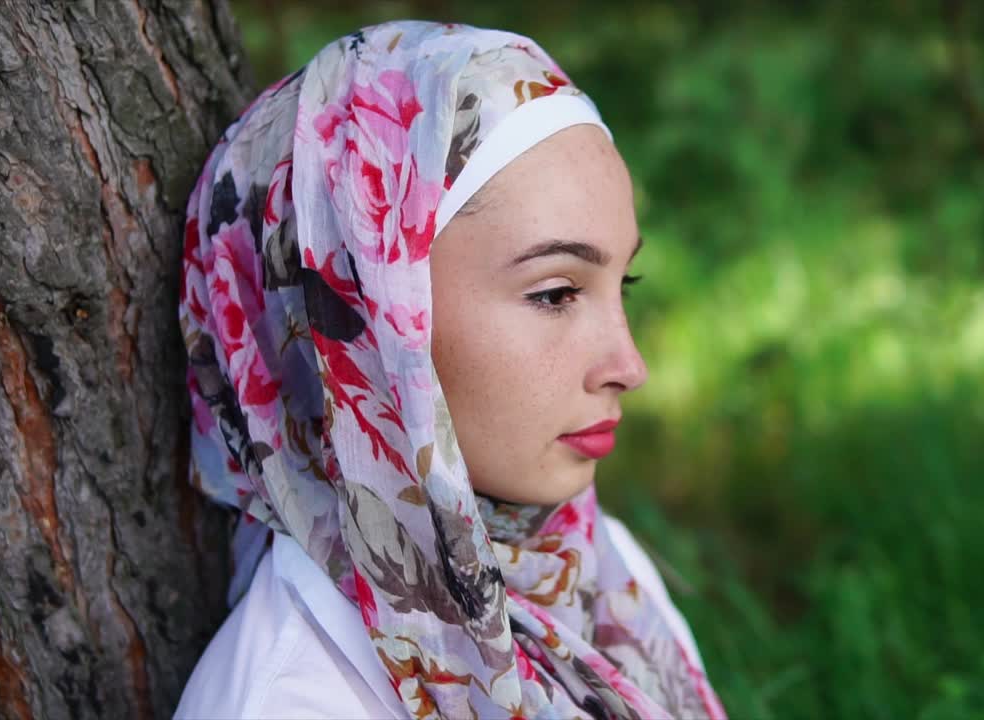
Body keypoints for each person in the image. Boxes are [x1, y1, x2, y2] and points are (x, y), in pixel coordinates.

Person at [175, 20, 725, 719]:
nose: (629, 366)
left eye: (626, 285)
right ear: (362, 316)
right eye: (556, 293)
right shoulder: (297, 699)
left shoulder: (591, 563)